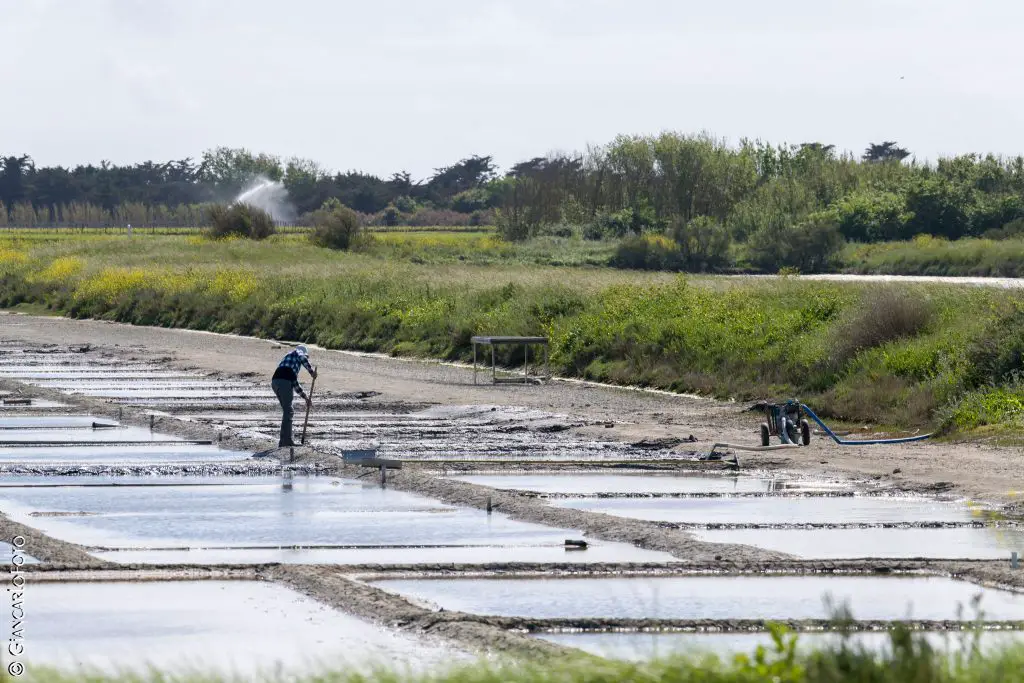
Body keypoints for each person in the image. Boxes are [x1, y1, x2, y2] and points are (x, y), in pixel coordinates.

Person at [270, 344, 317, 447]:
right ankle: (286, 441)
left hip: (275, 382)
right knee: (289, 411)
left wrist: (305, 398)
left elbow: (294, 383)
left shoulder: (289, 361)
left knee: (287, 411)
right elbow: (302, 357)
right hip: (284, 382)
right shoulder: (297, 354)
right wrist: (311, 372)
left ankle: (283, 441)